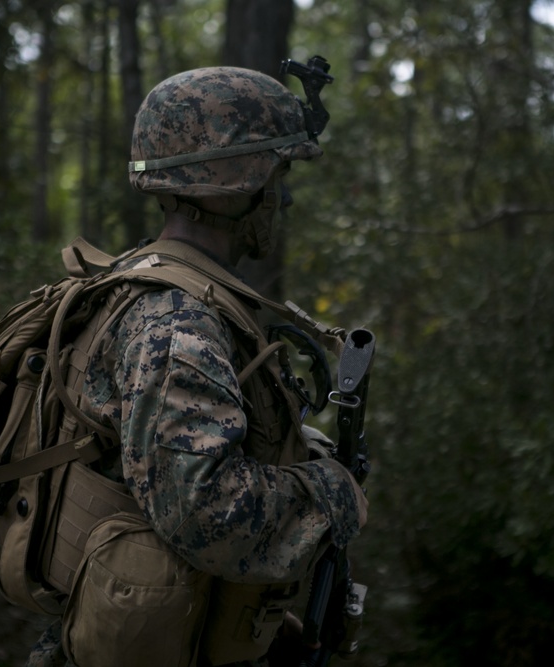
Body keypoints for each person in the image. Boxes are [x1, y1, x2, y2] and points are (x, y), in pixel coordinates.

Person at [26, 65, 368, 667]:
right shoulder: (178, 320)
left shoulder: (143, 279)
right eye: (278, 174)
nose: (283, 197)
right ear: (235, 183)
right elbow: (204, 509)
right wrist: (333, 493)